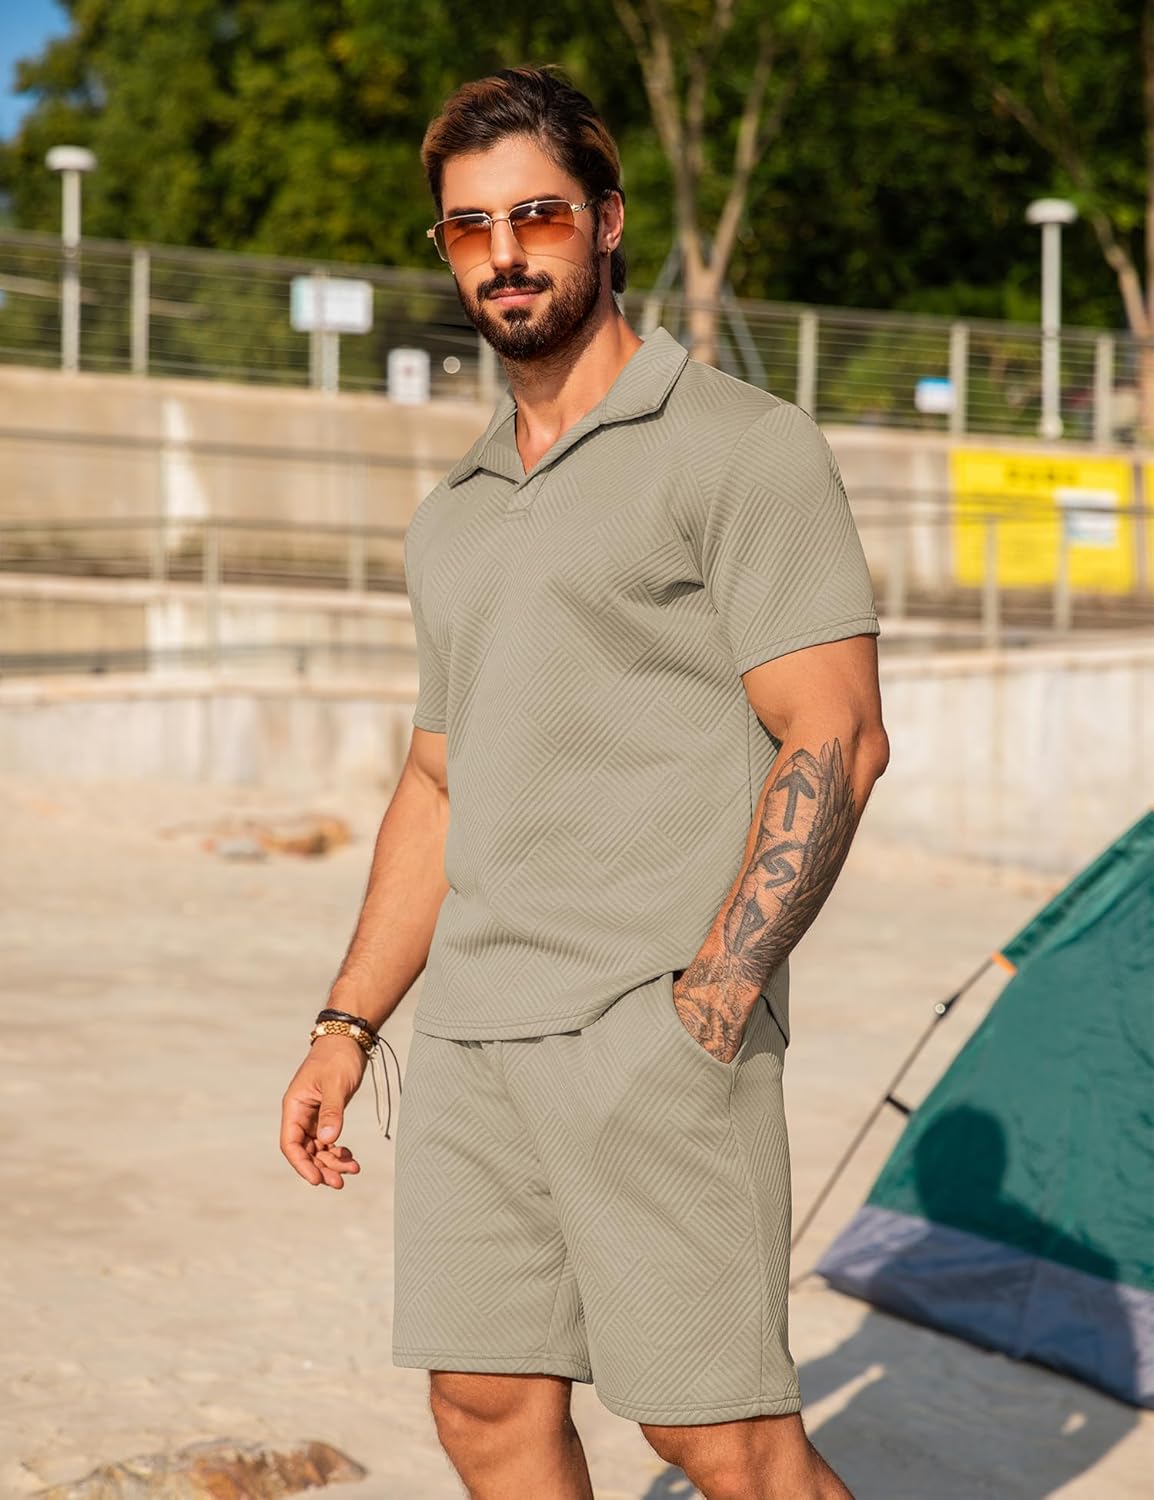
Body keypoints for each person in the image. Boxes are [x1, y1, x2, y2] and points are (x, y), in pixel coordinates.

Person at [280, 65, 889, 1500]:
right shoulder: (454, 513)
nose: (504, 253)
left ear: (606, 222)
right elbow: (437, 783)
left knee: (717, 1435)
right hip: (472, 1041)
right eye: (469, 226)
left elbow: (835, 737)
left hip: (648, 1028)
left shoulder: (741, 447)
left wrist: (711, 1004)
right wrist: (347, 1024)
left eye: (537, 215)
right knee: (484, 1406)